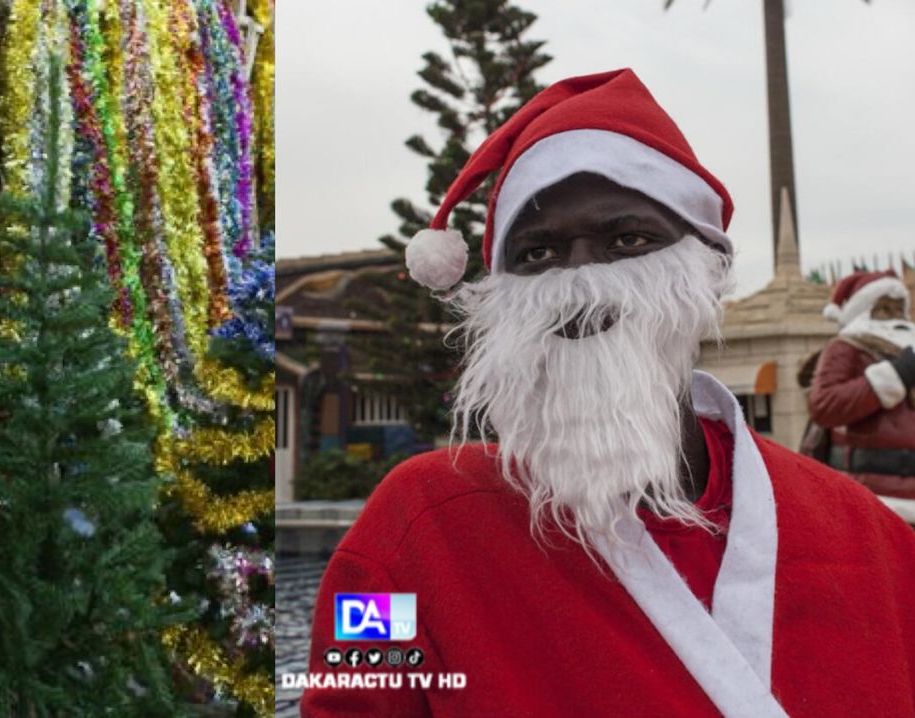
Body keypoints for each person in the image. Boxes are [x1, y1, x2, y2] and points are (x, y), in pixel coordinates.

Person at [300, 69, 915, 718]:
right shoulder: (409, 535)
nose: (582, 290)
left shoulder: (873, 538)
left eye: (628, 240)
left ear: (709, 268)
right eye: (537, 254)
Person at [808, 270, 915, 500]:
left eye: (899, 309)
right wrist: (895, 375)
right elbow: (824, 405)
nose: (894, 317)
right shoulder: (845, 347)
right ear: (863, 312)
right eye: (884, 309)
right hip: (874, 495)